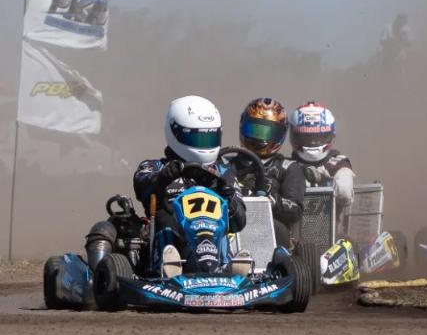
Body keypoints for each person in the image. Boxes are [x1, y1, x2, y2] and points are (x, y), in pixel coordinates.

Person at [130, 95, 247, 277]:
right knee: (166, 219)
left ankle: (227, 267)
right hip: (171, 233)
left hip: (214, 234)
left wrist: (226, 193)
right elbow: (142, 186)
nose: (203, 146)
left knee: (221, 223)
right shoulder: (154, 167)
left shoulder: (224, 173)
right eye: (197, 138)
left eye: (208, 139)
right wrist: (162, 178)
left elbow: (239, 221)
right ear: (175, 132)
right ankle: (168, 266)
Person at [232, 97, 306, 249]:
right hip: (231, 225)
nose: (260, 138)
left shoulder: (287, 167)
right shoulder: (227, 165)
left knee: (274, 229)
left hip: (272, 230)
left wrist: (269, 200)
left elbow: (295, 210)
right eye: (254, 130)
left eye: (267, 132)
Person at [289, 101, 355, 235]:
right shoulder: (286, 165)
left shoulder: (338, 163)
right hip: (293, 241)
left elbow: (345, 194)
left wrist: (322, 179)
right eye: (306, 137)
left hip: (332, 241)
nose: (312, 142)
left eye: (317, 137)